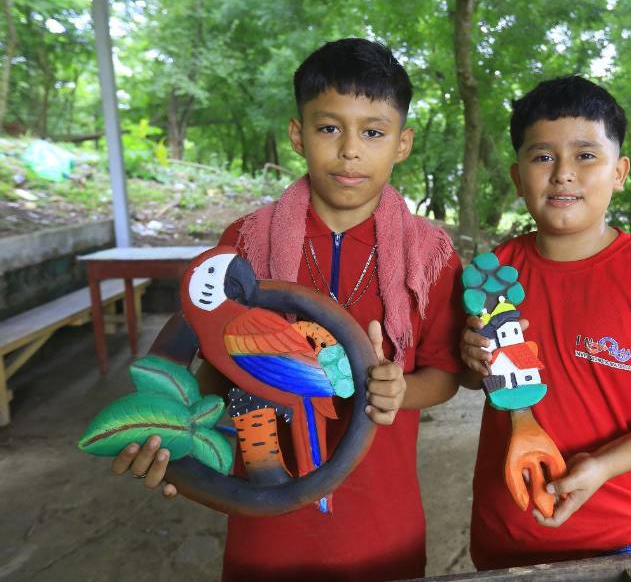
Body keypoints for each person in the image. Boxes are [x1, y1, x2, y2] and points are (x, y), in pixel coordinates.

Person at [112, 38, 464, 581]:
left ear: (402, 143)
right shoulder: (243, 246)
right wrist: (178, 441)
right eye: (329, 128)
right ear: (298, 135)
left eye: (373, 132)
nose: (350, 150)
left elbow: (444, 373)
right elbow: (206, 361)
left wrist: (399, 389)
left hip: (383, 523)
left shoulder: (431, 256)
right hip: (264, 522)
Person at [460, 75, 631, 569]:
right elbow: (479, 378)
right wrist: (468, 360)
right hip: (504, 536)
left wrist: (602, 467)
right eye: (543, 156)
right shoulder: (494, 271)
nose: (563, 173)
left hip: (619, 543)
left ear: (620, 171)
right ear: (517, 176)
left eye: (586, 155)